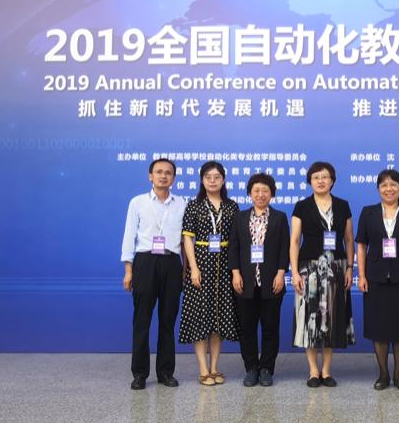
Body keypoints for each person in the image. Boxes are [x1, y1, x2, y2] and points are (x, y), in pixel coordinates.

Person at [121, 158, 186, 390]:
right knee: (142, 321)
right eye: (159, 172)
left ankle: (166, 372)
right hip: (145, 262)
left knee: (168, 321)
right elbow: (129, 235)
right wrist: (128, 269)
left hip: (171, 262)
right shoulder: (137, 202)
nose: (163, 176)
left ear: (173, 178)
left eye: (168, 173)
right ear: (150, 176)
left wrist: (185, 268)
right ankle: (139, 374)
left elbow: (185, 240)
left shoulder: (182, 203)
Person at [356, 169, 399, 391]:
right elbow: (361, 245)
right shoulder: (368, 213)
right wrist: (361, 275)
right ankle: (383, 375)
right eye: (384, 185)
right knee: (379, 328)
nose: (389, 189)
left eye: (393, 184)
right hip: (375, 278)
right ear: (378, 189)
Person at [290, 161, 355, 388]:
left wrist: (350, 267)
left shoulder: (343, 206)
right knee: (309, 318)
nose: (320, 181)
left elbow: (349, 239)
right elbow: (295, 241)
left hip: (336, 267)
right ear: (310, 181)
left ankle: (326, 371)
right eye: (316, 177)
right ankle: (313, 371)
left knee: (332, 318)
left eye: (325, 177)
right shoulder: (302, 206)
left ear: (332, 181)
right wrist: (294, 271)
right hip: (308, 268)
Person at [179, 161, 240, 386]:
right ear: (202, 180)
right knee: (200, 318)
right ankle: (203, 370)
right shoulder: (194, 205)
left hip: (224, 267)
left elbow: (237, 240)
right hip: (201, 267)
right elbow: (187, 238)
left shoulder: (232, 206)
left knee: (219, 319)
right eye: (208, 177)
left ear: (223, 180)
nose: (212, 181)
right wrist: (193, 268)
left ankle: (214, 367)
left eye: (217, 177)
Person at [228, 173, 290, 387]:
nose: (260, 194)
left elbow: (284, 247)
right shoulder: (240, 217)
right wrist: (235, 273)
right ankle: (251, 368)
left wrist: (281, 273)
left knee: (270, 328)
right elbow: (234, 247)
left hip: (272, 281)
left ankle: (266, 369)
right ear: (250, 193)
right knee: (247, 328)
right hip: (245, 282)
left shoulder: (280, 218)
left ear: (272, 194)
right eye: (256, 191)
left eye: (265, 191)